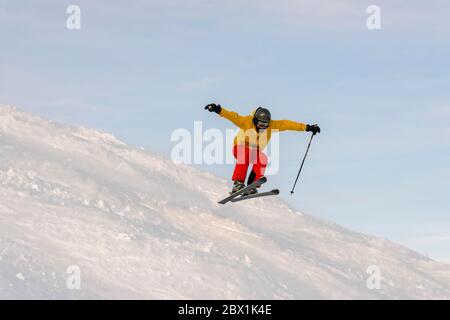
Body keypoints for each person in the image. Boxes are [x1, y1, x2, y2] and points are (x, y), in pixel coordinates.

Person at [205, 103, 320, 194]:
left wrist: (307, 127)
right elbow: (232, 116)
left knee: (262, 159)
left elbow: (287, 124)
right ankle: (238, 183)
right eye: (260, 124)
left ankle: (252, 185)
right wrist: (217, 109)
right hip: (240, 148)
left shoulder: (271, 126)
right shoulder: (246, 121)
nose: (262, 127)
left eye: (265, 125)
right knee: (244, 154)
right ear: (255, 120)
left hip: (254, 152)